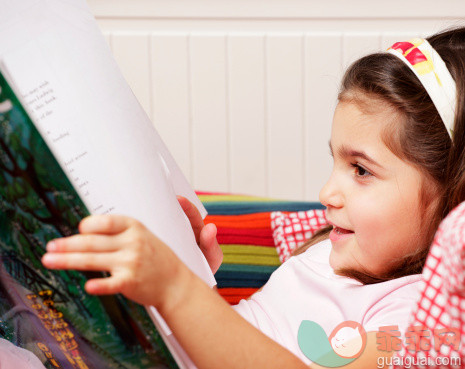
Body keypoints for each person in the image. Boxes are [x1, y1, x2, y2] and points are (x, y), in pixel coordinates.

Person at [41, 26, 465, 368]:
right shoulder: (329, 252)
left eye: (361, 170)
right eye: (336, 162)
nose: (326, 193)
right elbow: (244, 341)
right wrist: (193, 277)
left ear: (453, 199)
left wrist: (177, 289)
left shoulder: (420, 328)